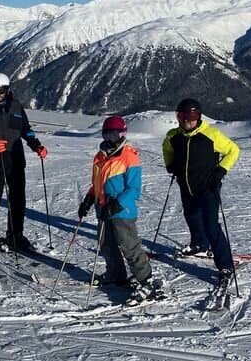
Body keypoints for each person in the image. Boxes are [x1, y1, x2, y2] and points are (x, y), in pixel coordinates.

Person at [77, 115, 161, 306]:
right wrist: (89, 199)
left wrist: (115, 205)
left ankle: (146, 280)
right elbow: (97, 183)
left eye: (114, 135)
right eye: (107, 134)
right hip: (103, 209)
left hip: (122, 211)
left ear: (122, 134)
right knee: (106, 243)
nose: (110, 139)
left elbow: (134, 189)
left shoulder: (129, 157)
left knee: (129, 246)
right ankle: (116, 275)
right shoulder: (99, 157)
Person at [162, 98, 240, 289]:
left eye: (192, 116)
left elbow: (233, 150)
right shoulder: (174, 136)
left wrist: (220, 171)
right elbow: (167, 148)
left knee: (211, 226)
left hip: (208, 188)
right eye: (183, 116)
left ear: (199, 116)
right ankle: (199, 245)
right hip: (186, 186)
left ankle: (226, 267)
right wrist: (171, 165)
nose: (188, 120)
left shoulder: (210, 134)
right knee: (191, 216)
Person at [0, 72, 47, 252]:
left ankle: (16, 234)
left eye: (1, 90)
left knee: (17, 199)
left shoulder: (16, 107)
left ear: (7, 90)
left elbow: (25, 130)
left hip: (15, 158)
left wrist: (36, 145)